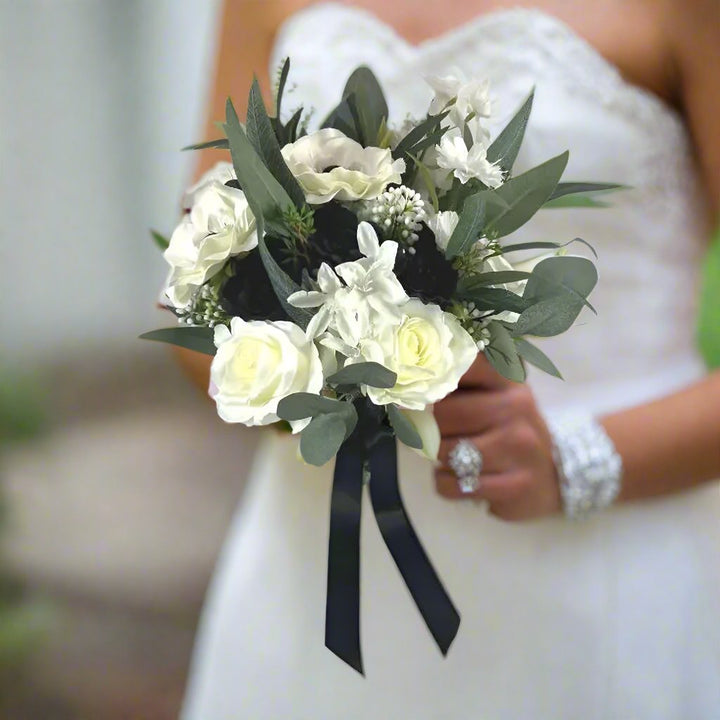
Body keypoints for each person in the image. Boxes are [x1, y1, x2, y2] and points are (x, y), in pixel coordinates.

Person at [177, 1, 720, 717]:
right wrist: (313, 379)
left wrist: (577, 460)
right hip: (316, 566)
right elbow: (194, 285)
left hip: (601, 566)